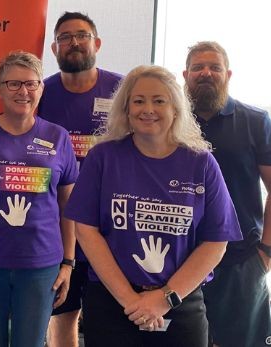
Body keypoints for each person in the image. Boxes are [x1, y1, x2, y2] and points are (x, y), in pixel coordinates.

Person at [65, 65, 242, 347]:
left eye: (159, 100)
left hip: (179, 303)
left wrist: (164, 299)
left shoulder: (201, 163)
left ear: (176, 108)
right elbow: (86, 231)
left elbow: (216, 242)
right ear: (126, 109)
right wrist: (131, 301)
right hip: (113, 303)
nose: (148, 109)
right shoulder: (102, 157)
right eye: (138, 101)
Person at [0, 50, 78, 347]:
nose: (23, 91)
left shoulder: (58, 138)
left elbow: (68, 205)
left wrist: (68, 263)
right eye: (14, 84)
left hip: (40, 266)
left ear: (41, 88)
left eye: (31, 84)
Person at [182, 41, 271, 347]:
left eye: (214, 67)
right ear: (185, 74)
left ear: (228, 74)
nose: (206, 73)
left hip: (240, 260)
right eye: (198, 67)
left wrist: (268, 250)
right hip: (179, 260)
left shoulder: (256, 122)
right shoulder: (169, 123)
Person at [38, 11, 123, 347]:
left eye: (82, 35)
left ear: (97, 43)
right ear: (54, 49)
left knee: (110, 322)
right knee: (62, 318)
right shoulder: (40, 94)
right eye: (65, 37)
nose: (73, 42)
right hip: (61, 228)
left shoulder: (122, 90)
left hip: (112, 229)